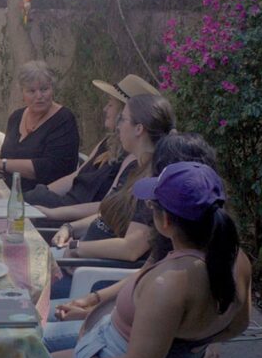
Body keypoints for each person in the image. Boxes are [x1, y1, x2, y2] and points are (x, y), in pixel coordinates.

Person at [15, 162, 252, 358]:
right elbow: (238, 326)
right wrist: (182, 348)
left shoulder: (171, 283)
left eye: (152, 206)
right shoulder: (236, 262)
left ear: (165, 221)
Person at [43, 133, 217, 352]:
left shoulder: (173, 278)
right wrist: (93, 299)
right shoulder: (176, 247)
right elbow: (141, 276)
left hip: (111, 343)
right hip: (109, 324)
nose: (149, 208)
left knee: (29, 332)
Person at [50, 94, 175, 264]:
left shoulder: (152, 181)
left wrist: (76, 247)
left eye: (122, 120)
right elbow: (106, 218)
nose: (118, 127)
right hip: (77, 260)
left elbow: (131, 248)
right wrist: (70, 227)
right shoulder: (136, 169)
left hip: (89, 273)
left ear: (139, 129)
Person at [27, 74, 160, 225]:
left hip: (75, 216)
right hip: (65, 204)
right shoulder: (107, 142)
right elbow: (75, 176)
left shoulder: (133, 158)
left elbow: (106, 207)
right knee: (27, 199)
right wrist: (43, 193)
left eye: (110, 104)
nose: (105, 109)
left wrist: (54, 213)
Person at [0, 61, 79, 191]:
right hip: (8, 189)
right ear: (22, 93)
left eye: (44, 89)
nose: (39, 96)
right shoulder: (16, 117)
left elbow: (48, 168)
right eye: (31, 91)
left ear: (52, 89)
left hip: (43, 198)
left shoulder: (64, 120)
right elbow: (19, 153)